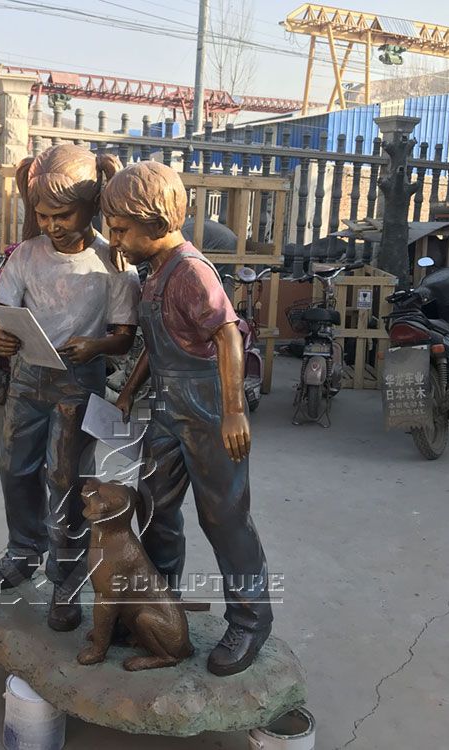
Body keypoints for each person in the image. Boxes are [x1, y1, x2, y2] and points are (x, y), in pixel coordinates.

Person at [102, 161, 273, 676]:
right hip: (167, 407)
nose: (116, 239)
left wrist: (233, 411)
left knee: (223, 516)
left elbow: (226, 335)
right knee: (155, 508)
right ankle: (161, 607)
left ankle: (250, 619)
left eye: (121, 228)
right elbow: (160, 345)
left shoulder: (192, 271)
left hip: (207, 406)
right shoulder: (155, 274)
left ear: (154, 220)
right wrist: (129, 392)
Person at [0, 144, 141, 632]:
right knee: (14, 466)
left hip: (78, 384)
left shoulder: (111, 263)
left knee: (65, 479)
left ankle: (66, 576)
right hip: (29, 377)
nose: (51, 225)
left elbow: (125, 336)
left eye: (62, 215)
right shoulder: (27, 255)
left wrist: (95, 346)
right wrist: (2, 335)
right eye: (43, 215)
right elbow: (1, 308)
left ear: (91, 206)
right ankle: (22, 550)